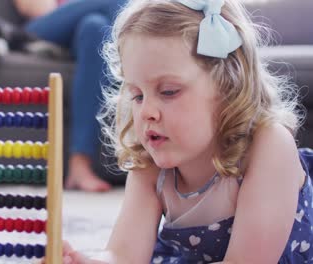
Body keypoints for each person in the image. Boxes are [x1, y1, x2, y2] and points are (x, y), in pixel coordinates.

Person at [40, 0, 313, 263]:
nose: (147, 111)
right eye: (137, 95)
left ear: (228, 86)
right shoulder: (150, 163)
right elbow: (123, 256)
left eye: (168, 92)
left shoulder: (269, 145)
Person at [14, 0, 128, 192]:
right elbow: (33, 8)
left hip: (90, 30)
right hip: (39, 30)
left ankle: (79, 165)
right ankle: (145, 46)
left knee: (95, 27)